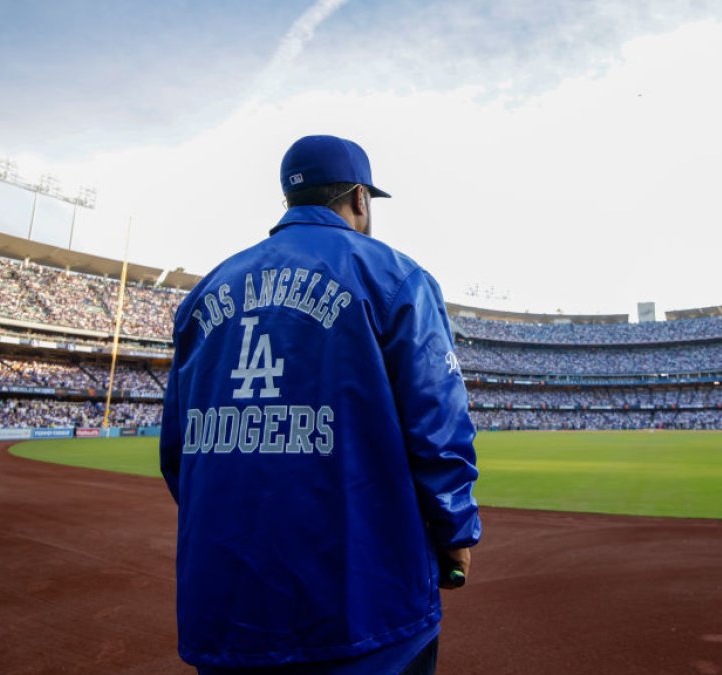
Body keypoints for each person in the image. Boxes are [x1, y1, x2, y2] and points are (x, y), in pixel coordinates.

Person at [160, 134, 481, 674]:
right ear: (360, 198)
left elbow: (177, 454)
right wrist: (456, 532)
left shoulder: (206, 291)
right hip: (365, 609)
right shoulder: (396, 278)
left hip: (226, 606)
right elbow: (439, 427)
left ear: (289, 200)